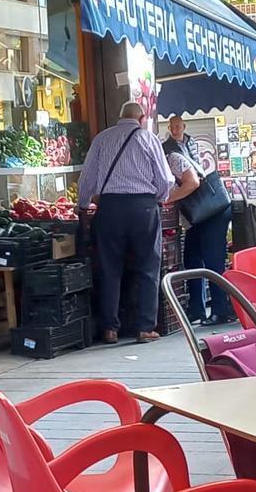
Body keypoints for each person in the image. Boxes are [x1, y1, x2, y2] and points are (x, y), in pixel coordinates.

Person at [77, 101, 173, 344]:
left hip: (110, 208)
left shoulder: (102, 139)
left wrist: (82, 205)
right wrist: (158, 198)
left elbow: (87, 178)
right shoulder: (148, 139)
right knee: (148, 267)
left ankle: (110, 329)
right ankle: (144, 328)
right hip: (143, 208)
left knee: (109, 268)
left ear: (120, 117)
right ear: (141, 119)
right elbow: (165, 179)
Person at [165, 153, 235, 326]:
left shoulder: (172, 159)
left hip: (212, 213)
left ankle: (220, 311)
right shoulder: (160, 166)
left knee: (213, 261)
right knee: (191, 258)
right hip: (198, 216)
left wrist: (168, 198)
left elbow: (193, 182)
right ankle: (197, 309)